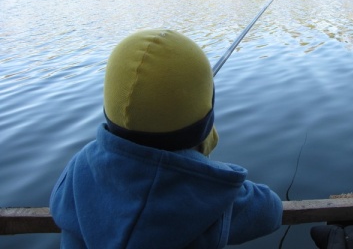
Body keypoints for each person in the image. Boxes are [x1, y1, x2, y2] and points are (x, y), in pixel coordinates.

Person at [50, 29, 283, 248]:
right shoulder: (210, 194)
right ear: (204, 125)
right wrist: (200, 153)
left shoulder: (77, 170)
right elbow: (271, 211)